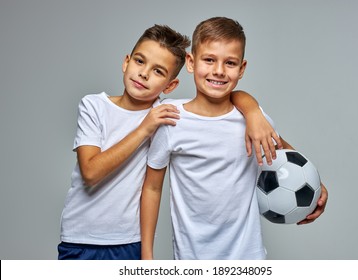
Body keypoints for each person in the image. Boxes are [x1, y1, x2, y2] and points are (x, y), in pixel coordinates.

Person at [58, 24, 280, 260]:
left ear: (171, 85)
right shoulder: (106, 107)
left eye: (158, 71)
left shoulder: (167, 114)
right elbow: (91, 171)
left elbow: (225, 99)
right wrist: (145, 127)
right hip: (81, 236)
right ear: (126, 62)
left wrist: (253, 110)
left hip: (130, 239)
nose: (144, 74)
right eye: (140, 61)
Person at [140, 17, 328, 260]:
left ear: (242, 68)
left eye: (230, 63)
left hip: (248, 259)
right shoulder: (171, 120)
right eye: (209, 59)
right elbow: (152, 188)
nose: (218, 70)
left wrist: (315, 184)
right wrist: (147, 256)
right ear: (190, 61)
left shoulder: (253, 121)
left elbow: (286, 156)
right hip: (192, 260)